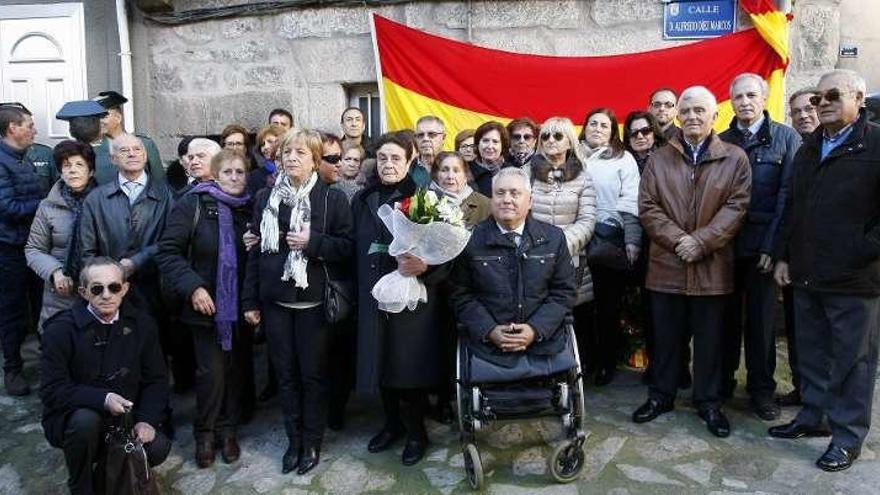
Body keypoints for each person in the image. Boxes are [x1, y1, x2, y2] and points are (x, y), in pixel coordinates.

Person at [770, 69, 880, 472]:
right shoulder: (809, 147)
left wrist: (858, 250)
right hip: (806, 273)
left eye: (832, 95)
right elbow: (793, 208)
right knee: (812, 354)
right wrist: (783, 255)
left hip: (854, 279)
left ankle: (848, 438)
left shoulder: (876, 143)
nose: (822, 103)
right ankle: (812, 417)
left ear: (859, 98)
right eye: (817, 98)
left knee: (854, 362)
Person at [634, 86, 751, 438]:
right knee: (666, 338)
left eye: (700, 110)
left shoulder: (735, 158)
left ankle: (709, 402)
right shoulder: (659, 157)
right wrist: (678, 240)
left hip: (711, 265)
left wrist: (700, 242)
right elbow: (648, 207)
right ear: (677, 117)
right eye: (686, 111)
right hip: (666, 264)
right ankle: (661, 396)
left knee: (711, 340)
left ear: (715, 116)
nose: (692, 117)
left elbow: (737, 207)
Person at [243, 128, 353, 475]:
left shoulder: (332, 199)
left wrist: (312, 242)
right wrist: (250, 300)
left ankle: (312, 442)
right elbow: (256, 252)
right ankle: (293, 440)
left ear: (316, 160)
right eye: (287, 152)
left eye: (301, 153)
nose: (291, 158)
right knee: (286, 377)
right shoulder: (265, 198)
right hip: (276, 304)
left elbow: (347, 249)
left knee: (313, 377)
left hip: (314, 306)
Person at [352, 133, 449, 466]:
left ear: (410, 160)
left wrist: (426, 265)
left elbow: (445, 254)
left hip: (412, 300)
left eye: (395, 158)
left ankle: (416, 431)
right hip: (373, 295)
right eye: (382, 158)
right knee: (380, 364)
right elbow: (352, 245)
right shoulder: (362, 199)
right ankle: (391, 424)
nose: (388, 164)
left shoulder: (426, 198)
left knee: (408, 369)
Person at [39, 257, 170, 494]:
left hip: (125, 420)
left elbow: (157, 380)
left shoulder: (142, 324)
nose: (107, 295)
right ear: (84, 292)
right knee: (84, 423)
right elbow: (52, 390)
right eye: (97, 289)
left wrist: (146, 420)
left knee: (157, 447)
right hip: (76, 418)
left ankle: (112, 473)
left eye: (114, 287)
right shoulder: (60, 331)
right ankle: (81, 485)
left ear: (125, 289)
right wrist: (103, 398)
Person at [156, 150, 252, 468]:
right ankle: (206, 433)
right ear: (215, 175)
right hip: (206, 308)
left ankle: (229, 431)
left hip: (242, 308)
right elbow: (168, 252)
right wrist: (193, 287)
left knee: (236, 371)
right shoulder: (194, 204)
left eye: (240, 172)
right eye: (228, 172)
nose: (235, 177)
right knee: (211, 374)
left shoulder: (250, 208)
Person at [718, 73, 801, 421]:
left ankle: (761, 391)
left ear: (764, 98)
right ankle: (721, 384)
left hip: (763, 249)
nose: (745, 102)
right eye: (738, 97)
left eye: (752, 95)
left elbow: (788, 197)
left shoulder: (786, 138)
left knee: (762, 324)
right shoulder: (720, 141)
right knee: (723, 321)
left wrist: (775, 247)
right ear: (731, 101)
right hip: (725, 248)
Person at [449, 166, 577, 367]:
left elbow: (564, 293)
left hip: (545, 343)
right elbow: (461, 295)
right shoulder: (470, 240)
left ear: (530, 202)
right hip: (487, 347)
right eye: (500, 193)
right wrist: (490, 330)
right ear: (491, 200)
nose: (507, 199)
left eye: (515, 193)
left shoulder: (553, 239)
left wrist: (534, 329)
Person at [579, 108, 641, 386]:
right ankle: (583, 360)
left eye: (604, 125)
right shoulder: (573, 154)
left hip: (608, 240)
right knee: (580, 306)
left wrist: (631, 238)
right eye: (593, 123)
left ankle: (606, 363)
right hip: (577, 240)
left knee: (606, 306)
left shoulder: (623, 158)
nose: (597, 128)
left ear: (613, 132)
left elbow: (630, 199)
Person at [530, 117, 596, 372]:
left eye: (557, 136)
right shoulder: (528, 173)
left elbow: (588, 220)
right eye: (545, 136)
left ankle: (577, 371)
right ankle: (541, 369)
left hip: (572, 258)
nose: (550, 141)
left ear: (569, 140)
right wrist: (539, 246)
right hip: (534, 256)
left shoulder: (583, 176)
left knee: (574, 314)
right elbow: (520, 214)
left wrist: (559, 245)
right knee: (539, 313)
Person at [777, 87, 821, 408]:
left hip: (840, 264)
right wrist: (781, 255)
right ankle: (803, 389)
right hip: (798, 260)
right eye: (797, 111)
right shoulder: (800, 151)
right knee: (798, 329)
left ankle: (826, 403)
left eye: (811, 107)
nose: (804, 115)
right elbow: (788, 207)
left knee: (830, 338)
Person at [25, 140, 97, 335]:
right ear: (60, 172)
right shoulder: (48, 206)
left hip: (98, 292)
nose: (72, 170)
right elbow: (33, 249)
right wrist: (55, 271)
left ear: (91, 171)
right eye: (67, 165)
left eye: (79, 164)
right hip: (60, 295)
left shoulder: (105, 201)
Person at [0, 103, 43, 396]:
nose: (34, 130)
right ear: (13, 128)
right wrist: (46, 206)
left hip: (33, 247)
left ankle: (50, 365)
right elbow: (8, 207)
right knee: (13, 311)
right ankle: (12, 370)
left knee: (42, 307)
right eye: (29, 124)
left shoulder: (23, 158)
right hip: (10, 250)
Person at [92, 91, 165, 185]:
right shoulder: (94, 149)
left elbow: (160, 181)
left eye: (103, 116)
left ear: (118, 117)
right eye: (95, 118)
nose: (99, 121)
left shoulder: (144, 144)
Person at [429, 151, 491, 229]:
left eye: (456, 171)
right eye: (444, 170)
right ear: (436, 175)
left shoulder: (486, 205)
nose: (450, 176)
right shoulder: (424, 202)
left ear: (465, 176)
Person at [469, 121, 512, 197]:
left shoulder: (512, 172)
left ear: (503, 146)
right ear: (478, 144)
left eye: (495, 142)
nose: (490, 146)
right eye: (485, 141)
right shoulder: (466, 169)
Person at [247, 125, 285, 197]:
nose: (265, 147)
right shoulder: (255, 176)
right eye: (262, 144)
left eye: (270, 142)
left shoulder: (292, 169)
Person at [412, 116, 446, 187]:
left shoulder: (457, 166)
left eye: (432, 134)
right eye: (420, 135)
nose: (425, 139)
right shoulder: (406, 168)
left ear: (443, 138)